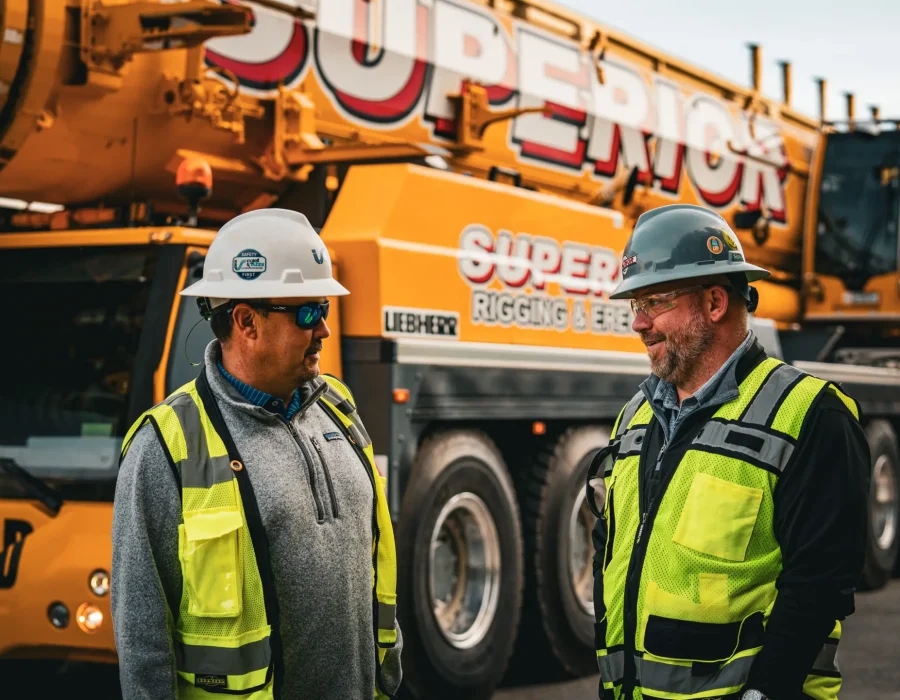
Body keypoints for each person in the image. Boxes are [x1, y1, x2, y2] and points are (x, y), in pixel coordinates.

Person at [111, 208, 402, 700]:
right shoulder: (165, 447)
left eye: (324, 310)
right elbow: (142, 643)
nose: (324, 330)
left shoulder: (338, 408)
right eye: (308, 312)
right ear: (246, 321)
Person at [586, 204, 870, 700]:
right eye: (636, 305)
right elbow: (610, 555)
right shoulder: (636, 416)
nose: (640, 323)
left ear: (715, 302)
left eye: (654, 302)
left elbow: (818, 586)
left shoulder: (811, 417)